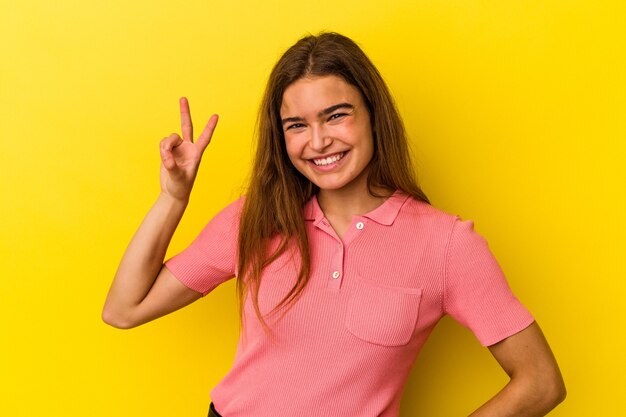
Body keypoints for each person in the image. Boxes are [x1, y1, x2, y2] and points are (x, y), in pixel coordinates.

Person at [103, 32, 566, 417]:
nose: (319, 140)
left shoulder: (446, 244)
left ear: (372, 114)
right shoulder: (256, 219)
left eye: (336, 115)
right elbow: (124, 310)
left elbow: (541, 383)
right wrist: (173, 197)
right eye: (296, 125)